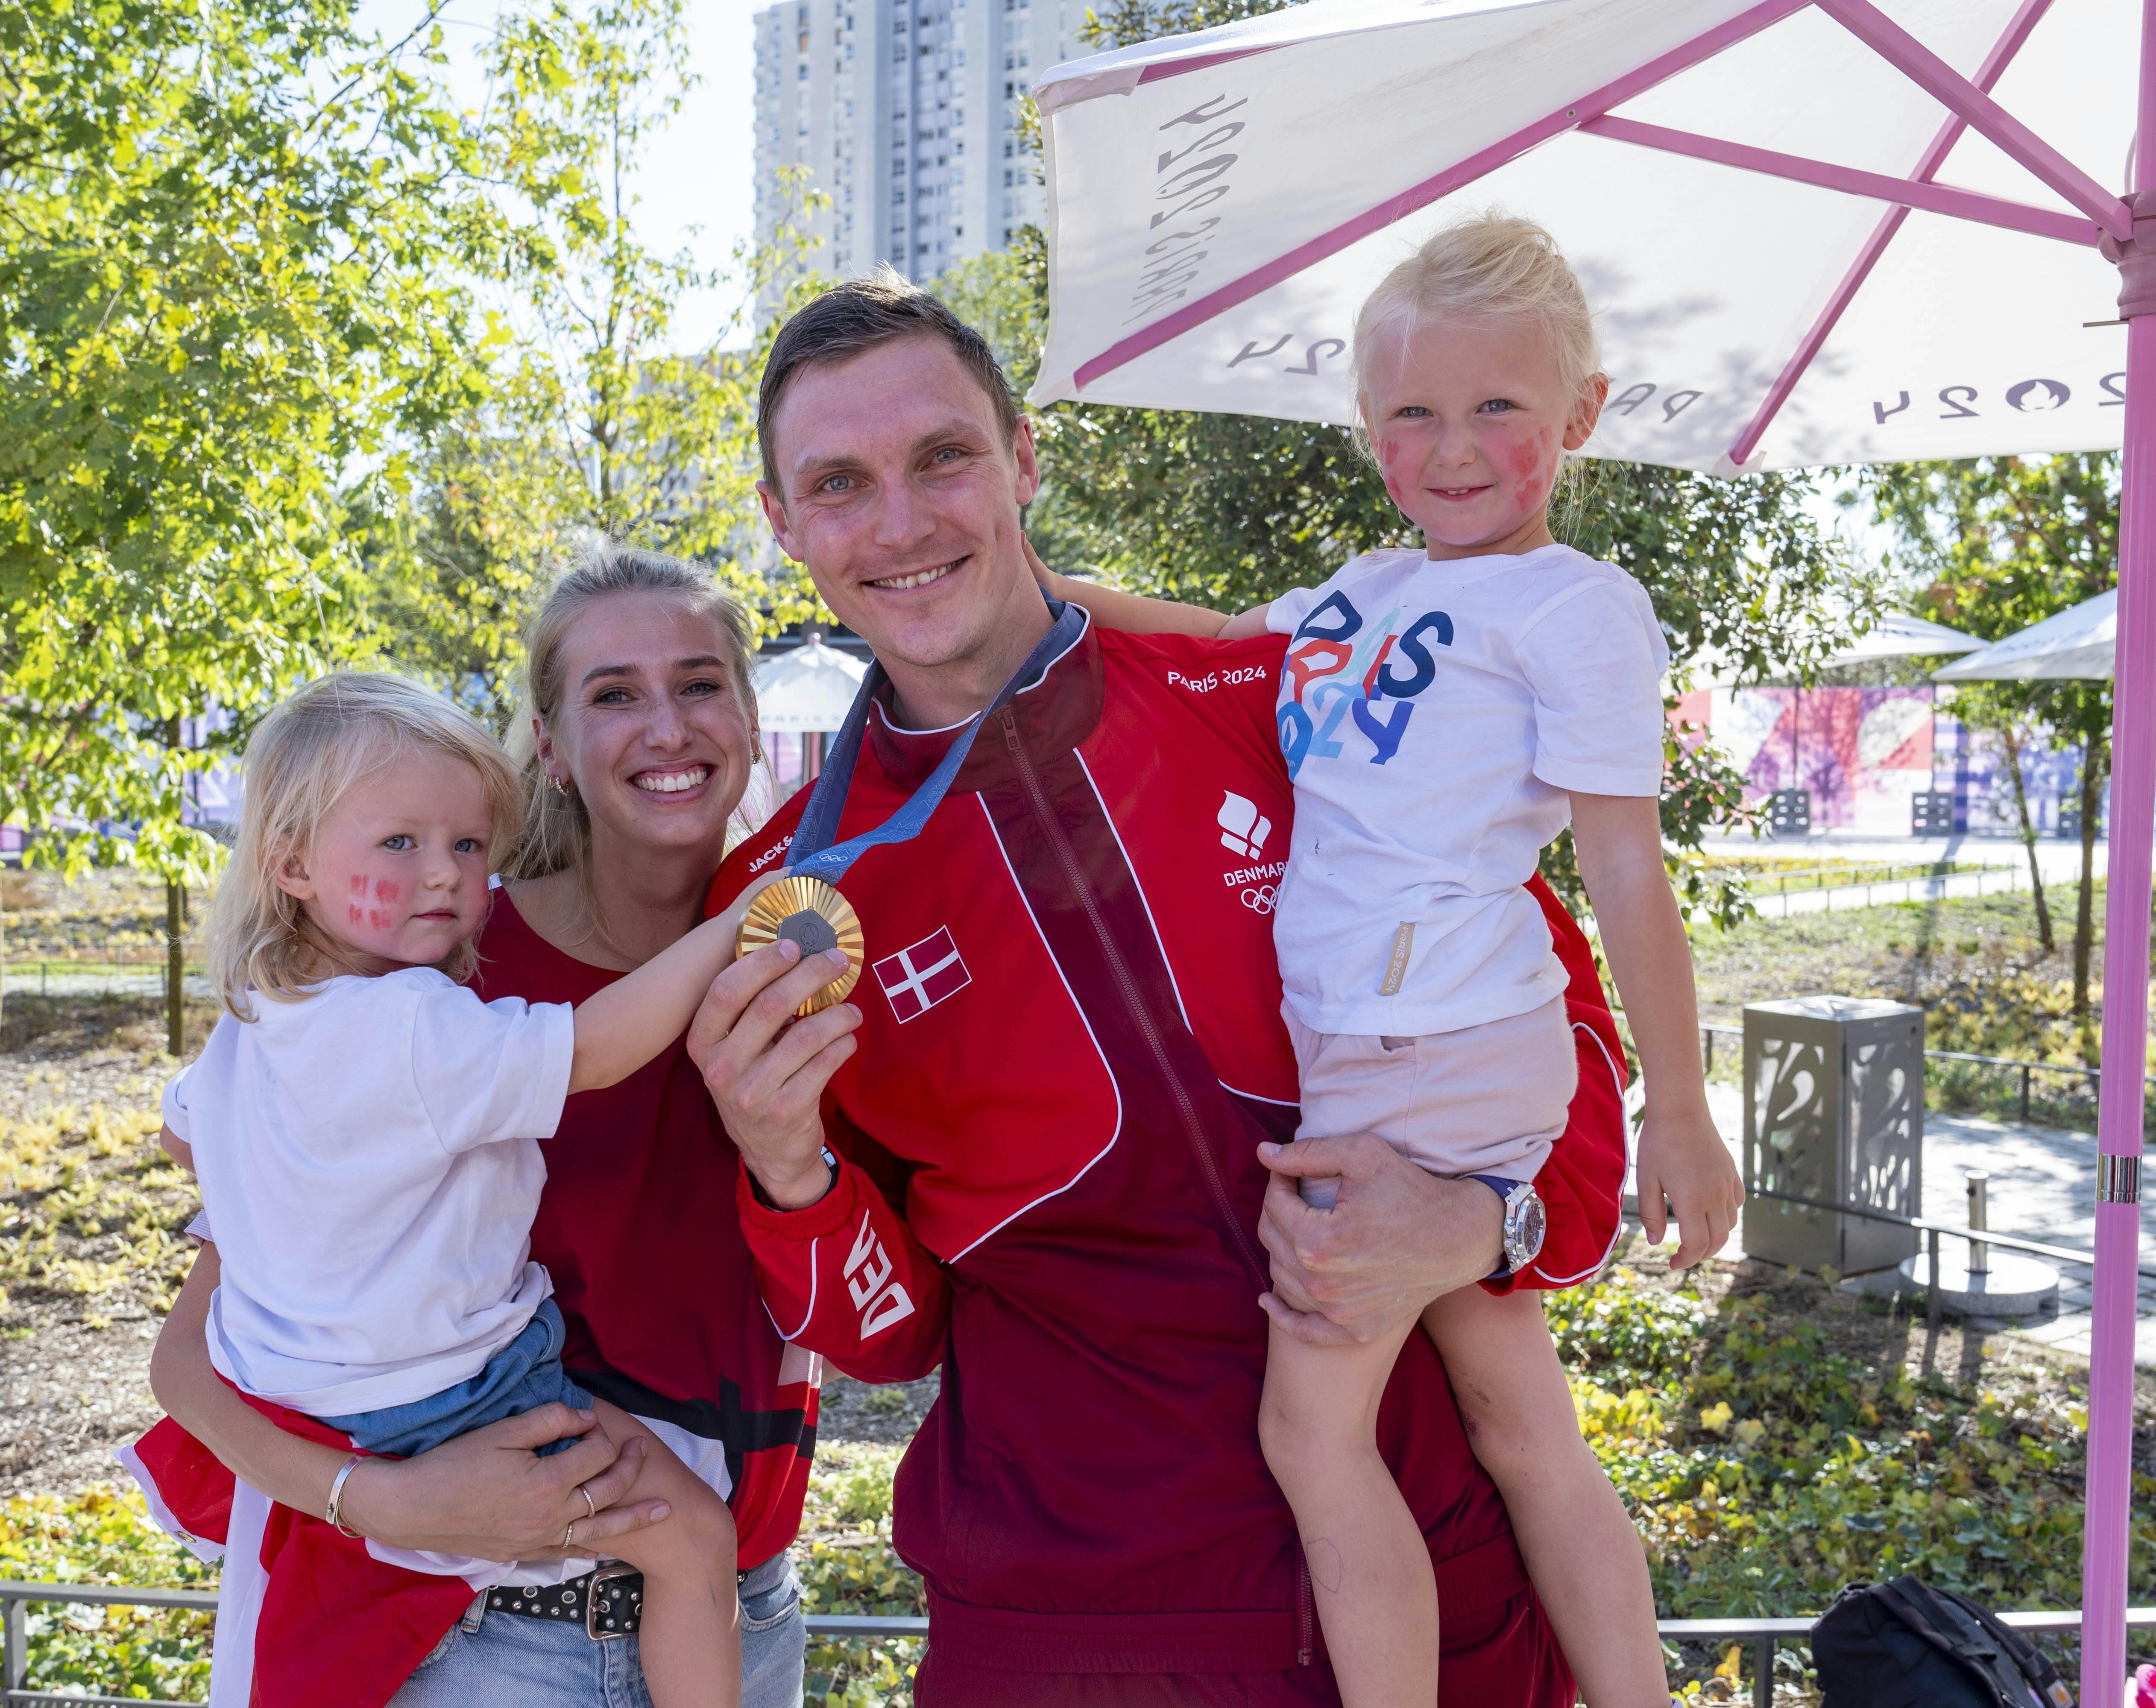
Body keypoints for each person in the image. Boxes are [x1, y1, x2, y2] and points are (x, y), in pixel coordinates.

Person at [688, 268, 1632, 1707]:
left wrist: (1486, 1223)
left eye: (944, 455)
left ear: (1022, 456)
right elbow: (889, 1337)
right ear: (782, 521)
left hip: (1444, 1604)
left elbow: (1562, 1026)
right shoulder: (788, 899)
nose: (901, 521)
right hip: (1072, 1644)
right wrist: (786, 1169)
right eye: (838, 483)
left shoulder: (1277, 696)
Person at [1030, 213, 1739, 1708]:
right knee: (1522, 1424)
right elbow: (1231, 634)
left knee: (1312, 1435)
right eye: (1414, 411)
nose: (1456, 446)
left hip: (1446, 1041)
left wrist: (1680, 1106)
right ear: (1368, 430)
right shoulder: (1365, 591)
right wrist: (1045, 598)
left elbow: (1622, 865)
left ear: (1581, 417)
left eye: (1500, 409)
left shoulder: (1575, 608)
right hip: (1369, 1050)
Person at [134, 551, 820, 1708]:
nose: (665, 725)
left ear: (750, 721)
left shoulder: (834, 962)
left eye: (701, 683)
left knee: (695, 1540)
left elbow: (889, 1308)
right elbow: (194, 1354)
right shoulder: (423, 989)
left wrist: (796, 1167)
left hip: (747, 1615)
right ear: (548, 742)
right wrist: (375, 1498)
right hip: (489, 1640)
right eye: (612, 693)